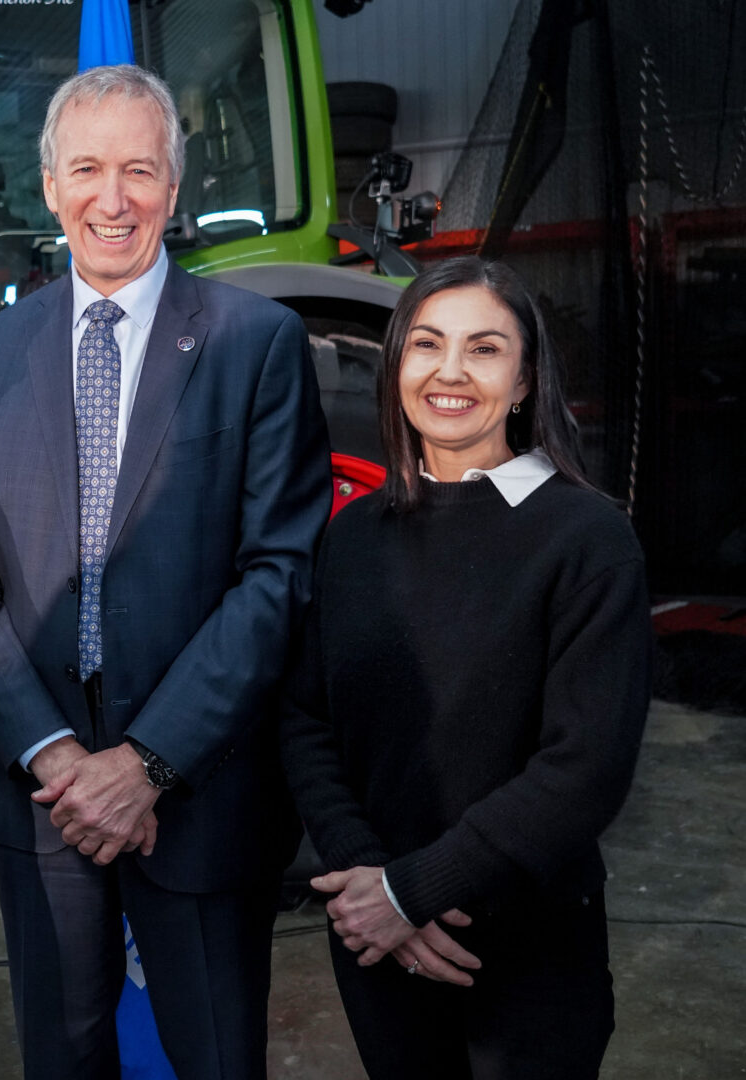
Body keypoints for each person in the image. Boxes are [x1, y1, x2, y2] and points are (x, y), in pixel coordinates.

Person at [0, 65, 331, 1080]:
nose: (115, 200)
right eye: (90, 171)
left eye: (140, 170)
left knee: (218, 1057)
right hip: (41, 798)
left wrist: (146, 764)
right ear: (51, 186)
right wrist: (59, 758)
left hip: (201, 794)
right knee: (62, 1059)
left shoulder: (257, 345)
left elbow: (278, 577)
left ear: (175, 187)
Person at [281, 256, 652, 1079]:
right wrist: (363, 879)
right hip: (376, 943)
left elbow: (584, 769)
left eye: (484, 349)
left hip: (525, 957)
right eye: (426, 345)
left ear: (524, 381)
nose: (449, 372)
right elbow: (306, 718)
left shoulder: (587, 538)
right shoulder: (352, 537)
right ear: (397, 367)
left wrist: (412, 891)